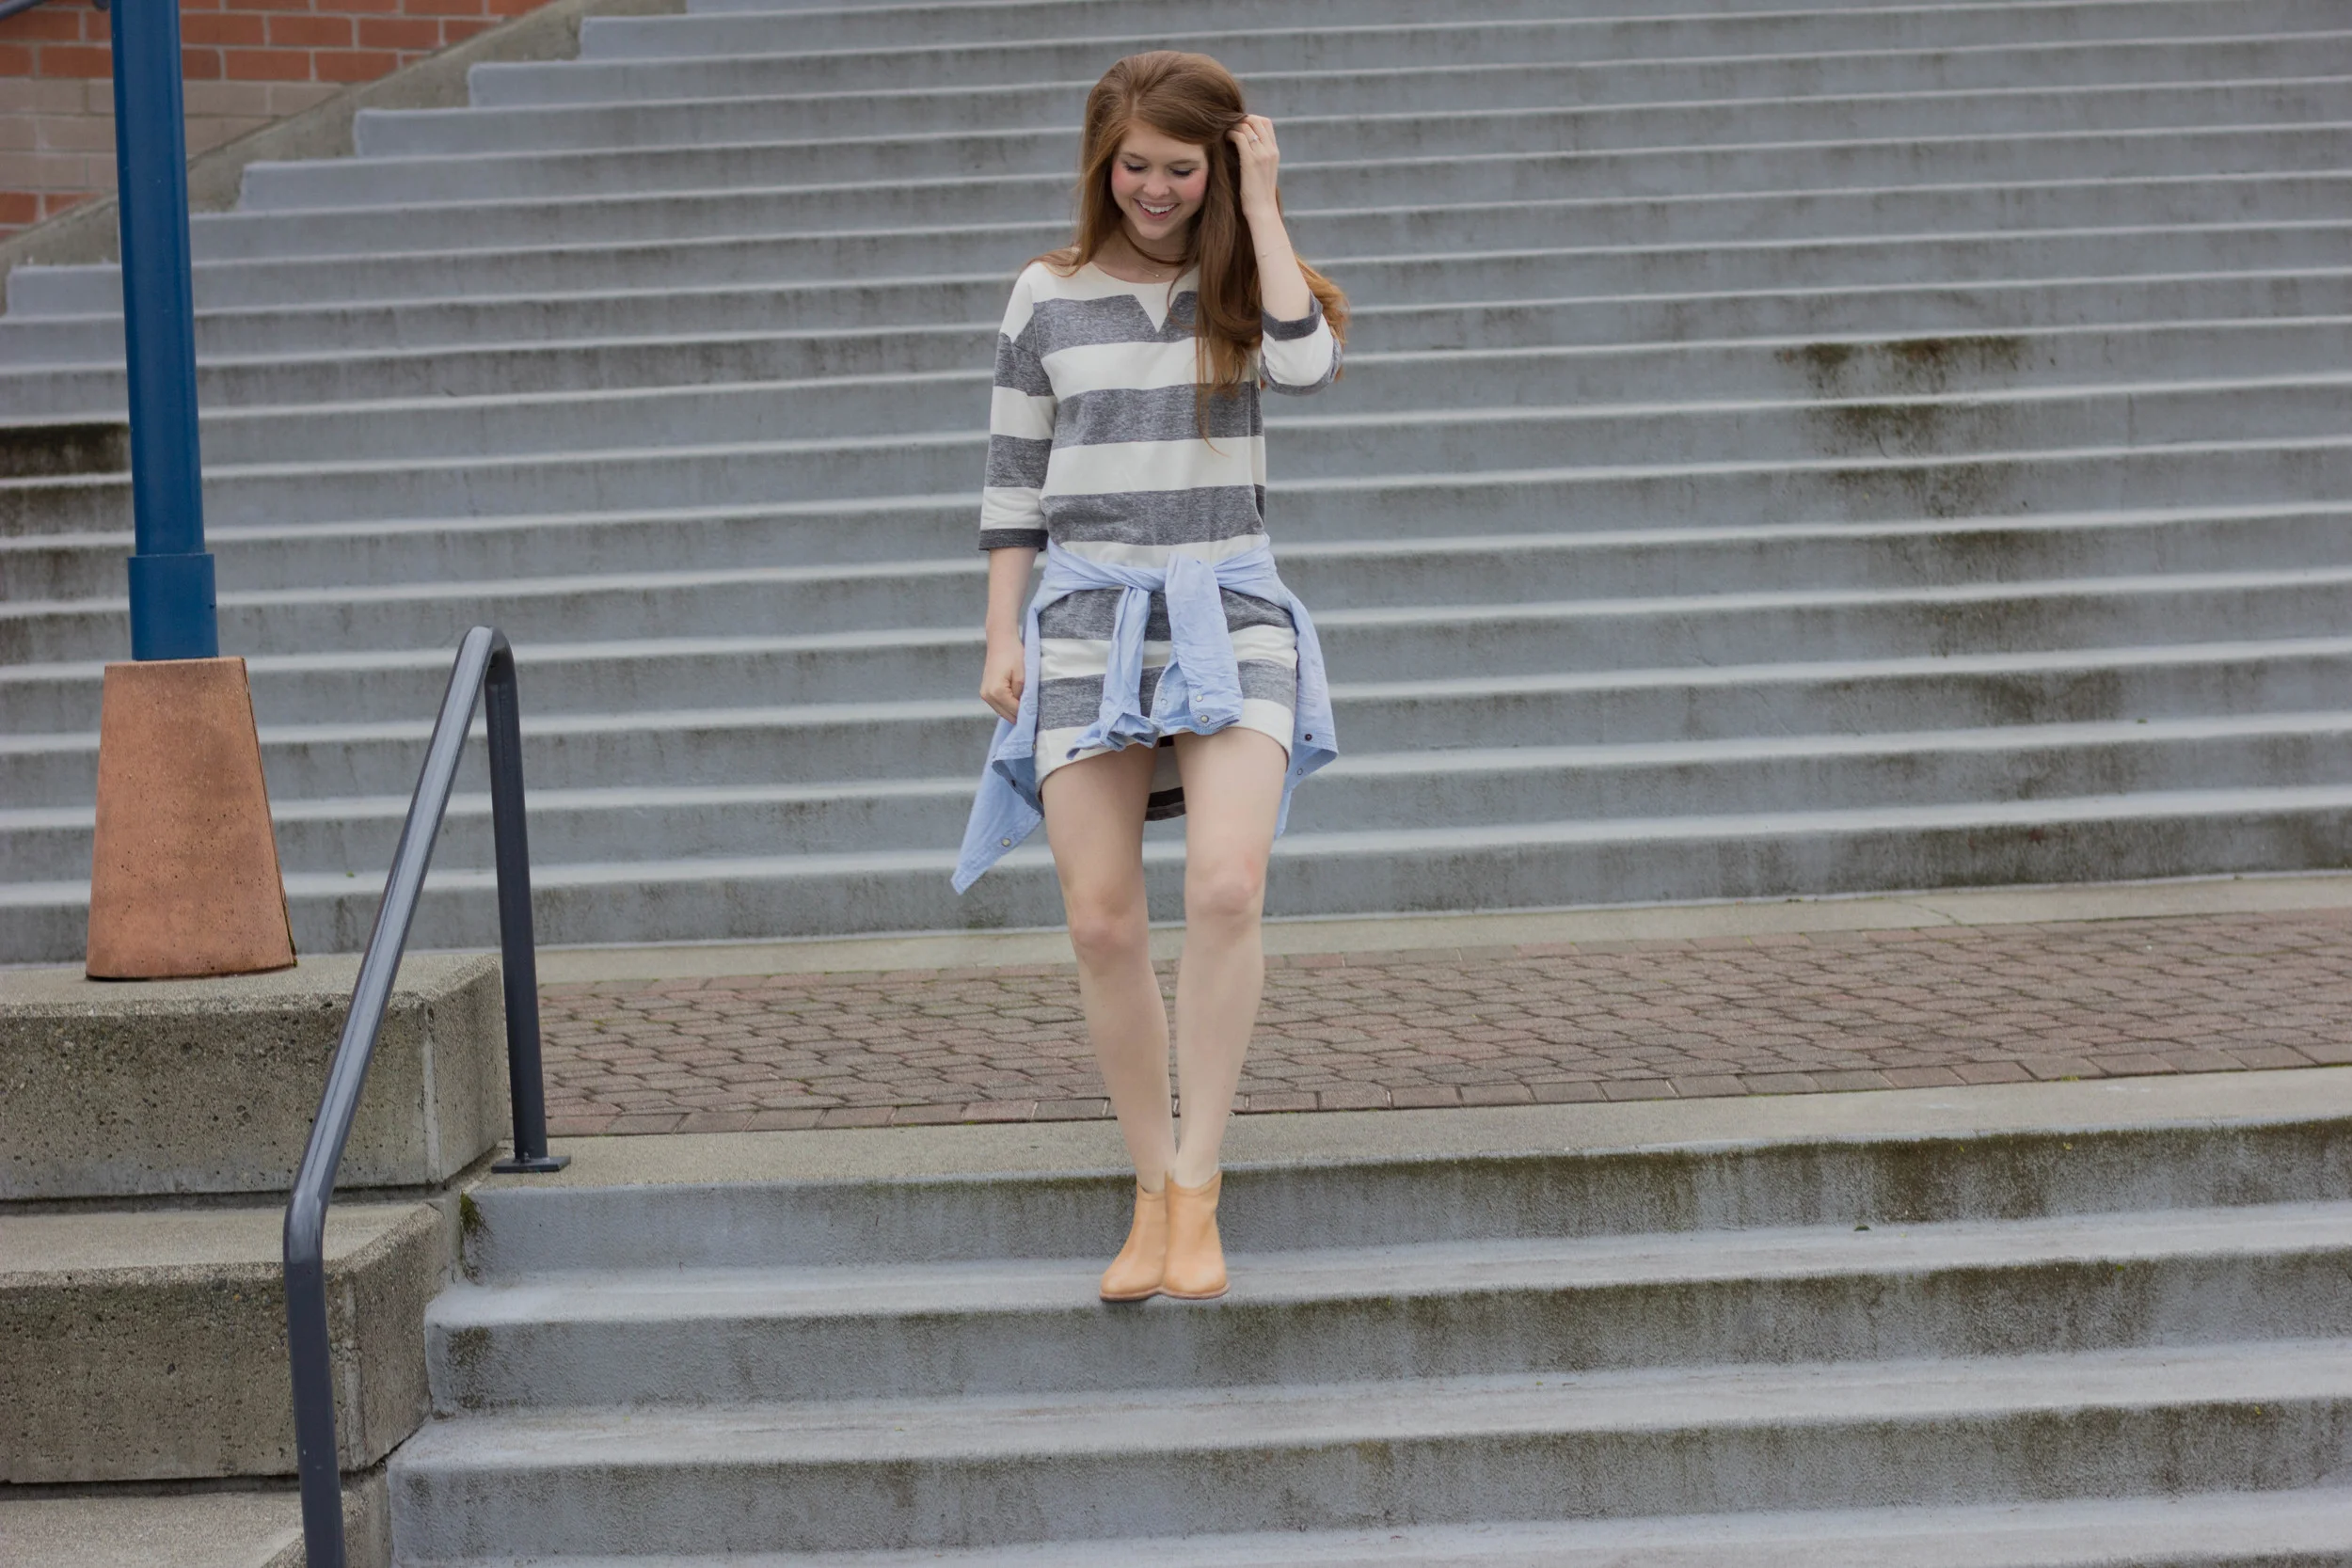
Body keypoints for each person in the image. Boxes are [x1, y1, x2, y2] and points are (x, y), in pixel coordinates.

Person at [951, 50, 1346, 1302]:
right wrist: (1001, 634)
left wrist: (1265, 205)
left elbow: (1306, 366)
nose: (1156, 191)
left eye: (1183, 168)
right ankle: (1148, 1185)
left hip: (1230, 609)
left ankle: (1200, 1176)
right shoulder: (1045, 295)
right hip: (1084, 619)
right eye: (1136, 166)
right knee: (1102, 917)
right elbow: (1013, 487)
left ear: (1217, 164)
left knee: (1228, 882)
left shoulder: (1243, 286)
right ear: (1100, 162)